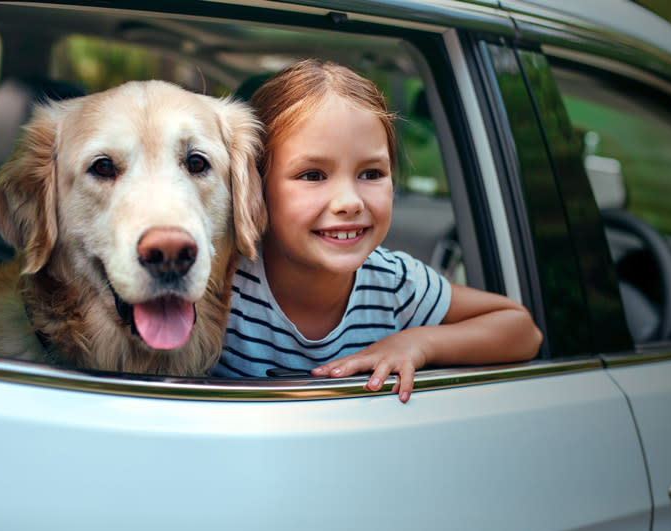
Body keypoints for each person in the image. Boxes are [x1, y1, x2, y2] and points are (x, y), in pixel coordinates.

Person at [214, 59, 542, 402]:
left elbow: (521, 329)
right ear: (256, 187)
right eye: (313, 175)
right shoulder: (224, 281)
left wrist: (417, 343)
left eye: (371, 173)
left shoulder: (395, 282)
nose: (349, 202)